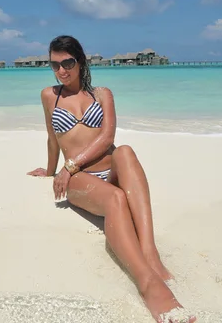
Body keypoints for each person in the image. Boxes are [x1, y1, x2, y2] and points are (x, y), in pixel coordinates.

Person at [27, 35, 196, 323]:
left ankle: (150, 251)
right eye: (54, 65)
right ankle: (148, 283)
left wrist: (69, 165)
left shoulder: (102, 94)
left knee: (126, 150)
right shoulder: (49, 95)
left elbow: (108, 138)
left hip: (107, 170)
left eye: (67, 63)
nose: (61, 71)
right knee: (116, 198)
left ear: (80, 61)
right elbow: (52, 138)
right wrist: (54, 170)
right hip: (79, 179)